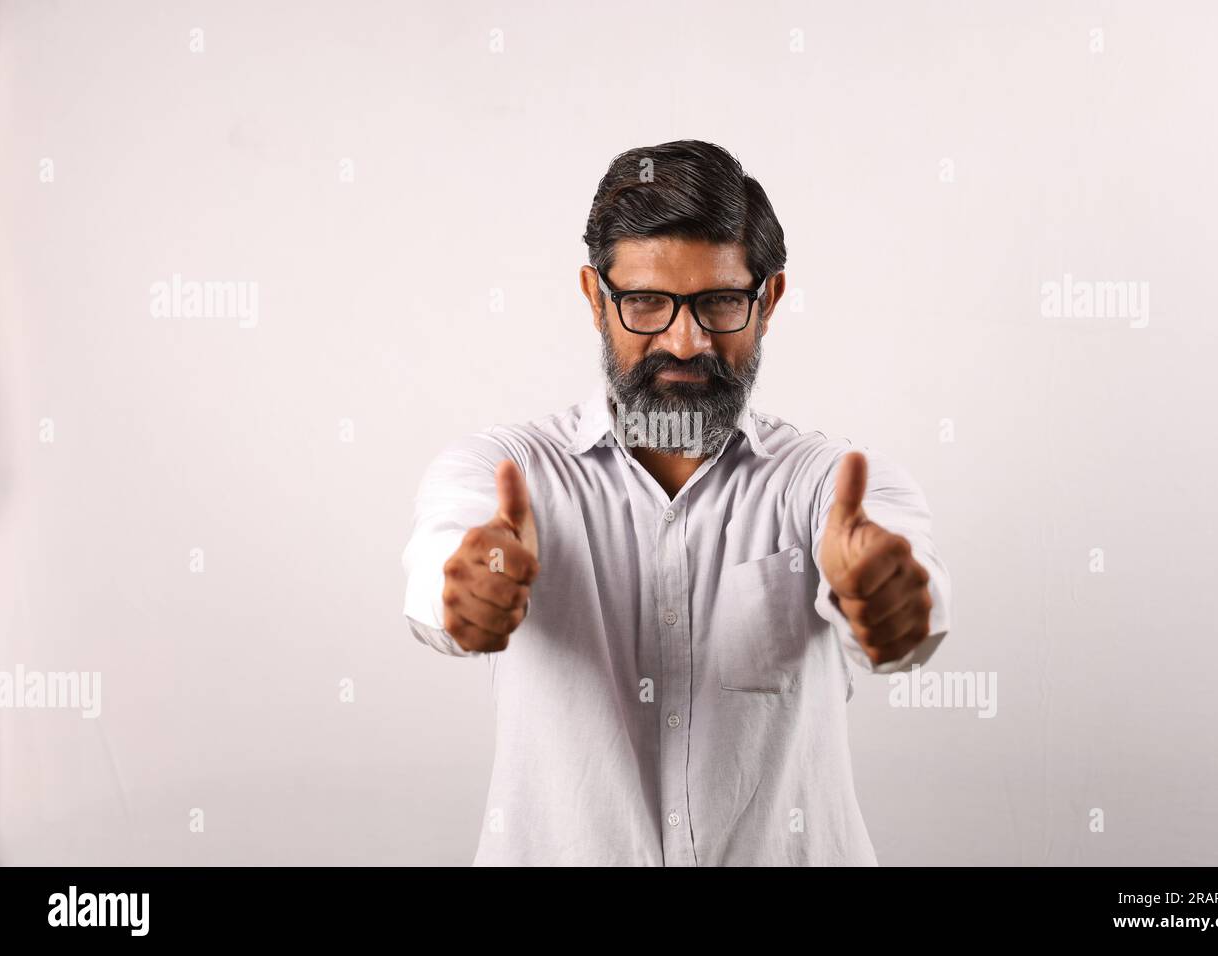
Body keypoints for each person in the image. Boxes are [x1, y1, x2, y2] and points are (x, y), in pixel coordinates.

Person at [402, 140, 952, 865]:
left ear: (769, 299)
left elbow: (903, 595)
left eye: (720, 301)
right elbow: (443, 566)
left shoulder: (832, 482)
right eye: (645, 303)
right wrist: (463, 592)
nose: (685, 341)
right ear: (597, 299)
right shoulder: (506, 473)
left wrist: (891, 605)